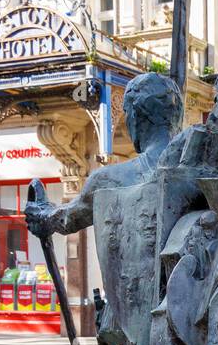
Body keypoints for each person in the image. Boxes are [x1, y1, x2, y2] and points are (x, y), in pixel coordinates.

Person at [24, 72, 183, 237]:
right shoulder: (201, 168)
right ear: (178, 116)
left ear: (134, 117)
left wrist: (41, 215)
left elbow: (66, 218)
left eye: (127, 113)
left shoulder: (108, 180)